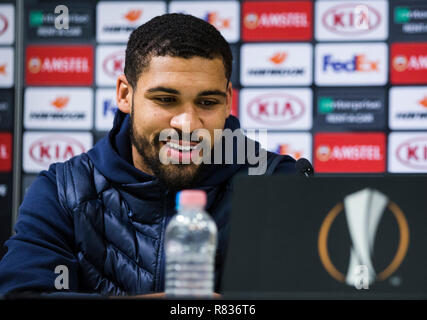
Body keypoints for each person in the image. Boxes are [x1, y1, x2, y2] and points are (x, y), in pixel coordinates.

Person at [0, 13, 297, 297]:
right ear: (124, 95)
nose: (188, 124)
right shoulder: (63, 190)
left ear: (228, 101)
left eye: (207, 102)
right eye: (166, 100)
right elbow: (22, 293)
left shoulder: (280, 184)